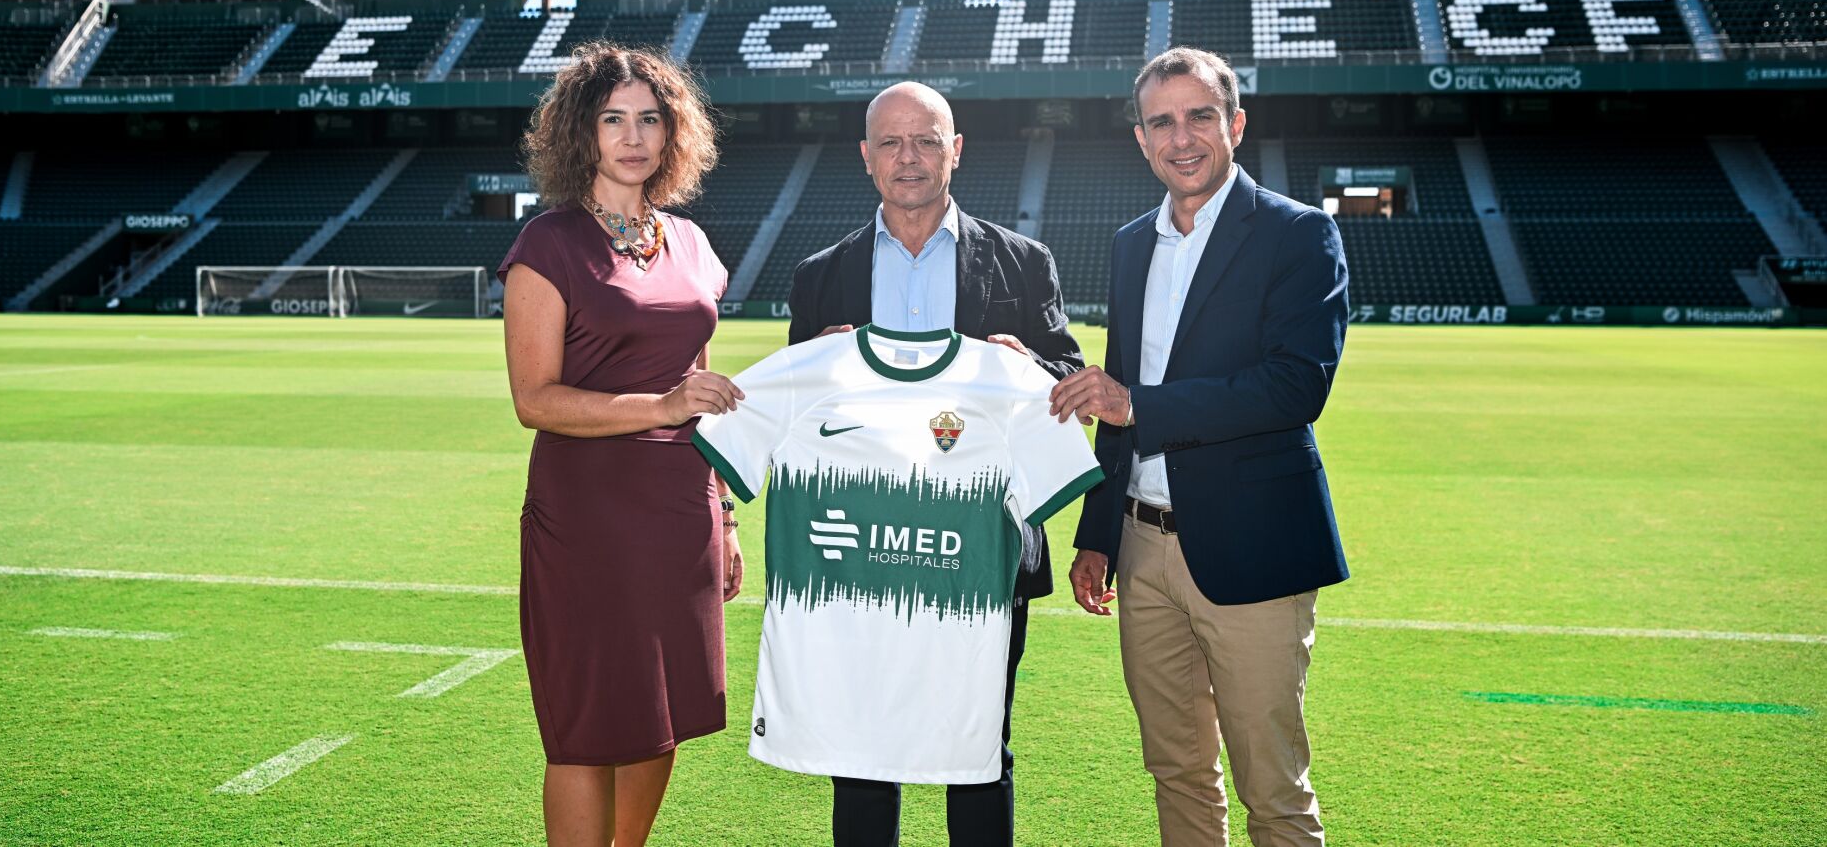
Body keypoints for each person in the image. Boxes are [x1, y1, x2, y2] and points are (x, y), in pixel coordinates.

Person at [1049, 47, 1351, 847]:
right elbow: (1119, 391)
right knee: (1177, 771)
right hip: (1142, 549)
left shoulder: (1298, 233)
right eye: (1162, 122)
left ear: (1235, 124)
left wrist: (1136, 404)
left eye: (1199, 116)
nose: (1181, 138)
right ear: (1141, 139)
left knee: (1272, 790)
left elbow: (1294, 388)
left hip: (1254, 547)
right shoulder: (1130, 243)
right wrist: (1097, 533)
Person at [786, 80, 1084, 847]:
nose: (908, 157)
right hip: (862, 548)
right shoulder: (820, 275)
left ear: (956, 150)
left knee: (977, 749)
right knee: (860, 755)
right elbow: (796, 420)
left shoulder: (1024, 263)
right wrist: (819, 371)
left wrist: (1033, 370)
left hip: (984, 548)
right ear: (866, 156)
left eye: (926, 140)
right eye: (891, 141)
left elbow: (1071, 383)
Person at [499, 42, 746, 847]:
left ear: (673, 133)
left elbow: (700, 389)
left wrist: (726, 517)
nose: (633, 137)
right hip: (588, 516)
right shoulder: (548, 243)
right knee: (585, 722)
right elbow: (534, 399)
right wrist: (661, 404)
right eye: (613, 119)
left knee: (660, 709)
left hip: (681, 513)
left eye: (649, 119)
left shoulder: (692, 243)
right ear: (583, 132)